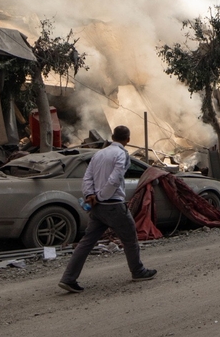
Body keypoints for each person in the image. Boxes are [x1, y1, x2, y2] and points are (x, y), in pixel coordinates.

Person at [58, 125, 157, 293]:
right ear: (128, 140)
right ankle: (138, 271)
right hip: (113, 205)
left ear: (112, 136)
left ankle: (68, 278)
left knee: (87, 242)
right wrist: (101, 196)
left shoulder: (99, 154)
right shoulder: (121, 154)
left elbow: (87, 177)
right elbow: (115, 179)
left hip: (98, 208)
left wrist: (91, 195)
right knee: (130, 238)